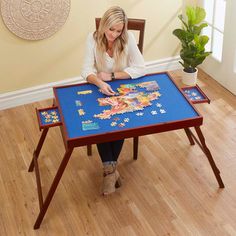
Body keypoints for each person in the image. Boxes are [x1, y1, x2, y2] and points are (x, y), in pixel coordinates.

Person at [81, 6, 146, 195]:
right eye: (111, 30)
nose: (114, 34)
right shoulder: (92, 39)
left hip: (121, 88)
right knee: (102, 122)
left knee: (118, 120)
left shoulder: (127, 39)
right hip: (98, 88)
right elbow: (86, 70)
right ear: (104, 25)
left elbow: (141, 68)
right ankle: (111, 172)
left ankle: (109, 172)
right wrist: (100, 82)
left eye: (119, 31)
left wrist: (112, 75)